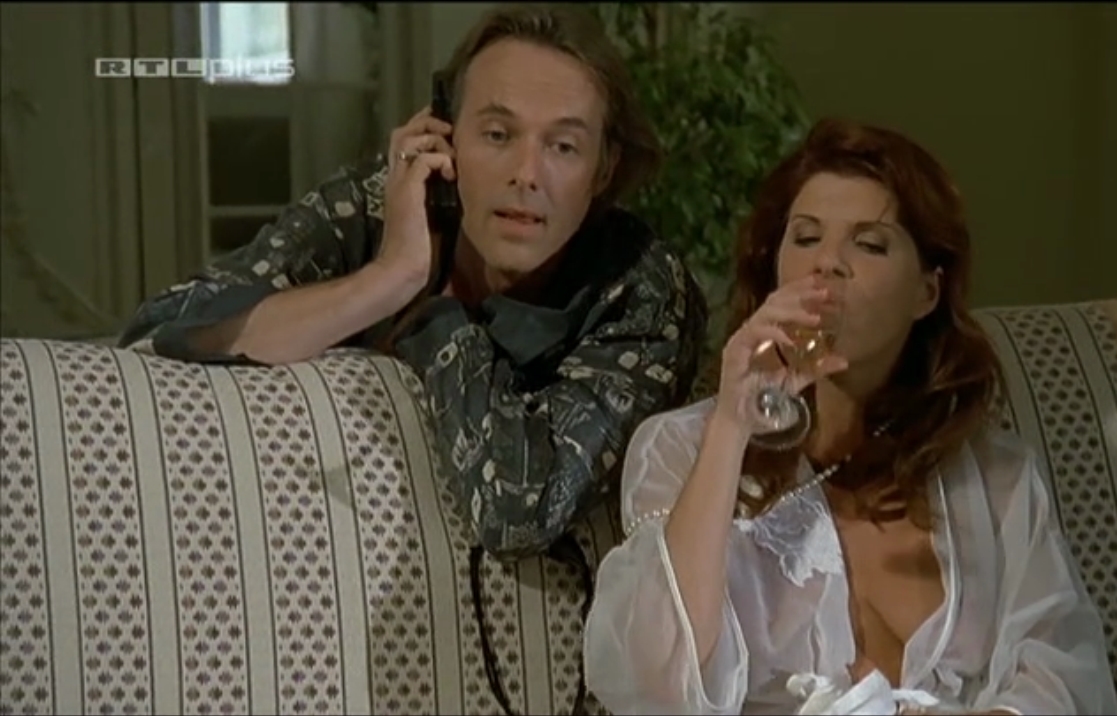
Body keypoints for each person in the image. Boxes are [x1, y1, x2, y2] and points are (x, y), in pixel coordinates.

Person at [116, 3, 707, 562]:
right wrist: (390, 278)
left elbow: (518, 511)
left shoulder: (641, 290)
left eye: (564, 146)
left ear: (603, 168)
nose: (527, 174)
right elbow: (162, 331)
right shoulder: (385, 205)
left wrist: (441, 315)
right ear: (444, 138)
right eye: (498, 135)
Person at [581, 118, 1117, 715]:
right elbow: (656, 681)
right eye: (806, 237)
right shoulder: (681, 448)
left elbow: (1064, 674)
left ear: (927, 292)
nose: (828, 264)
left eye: (869, 244)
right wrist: (734, 426)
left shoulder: (997, 477)